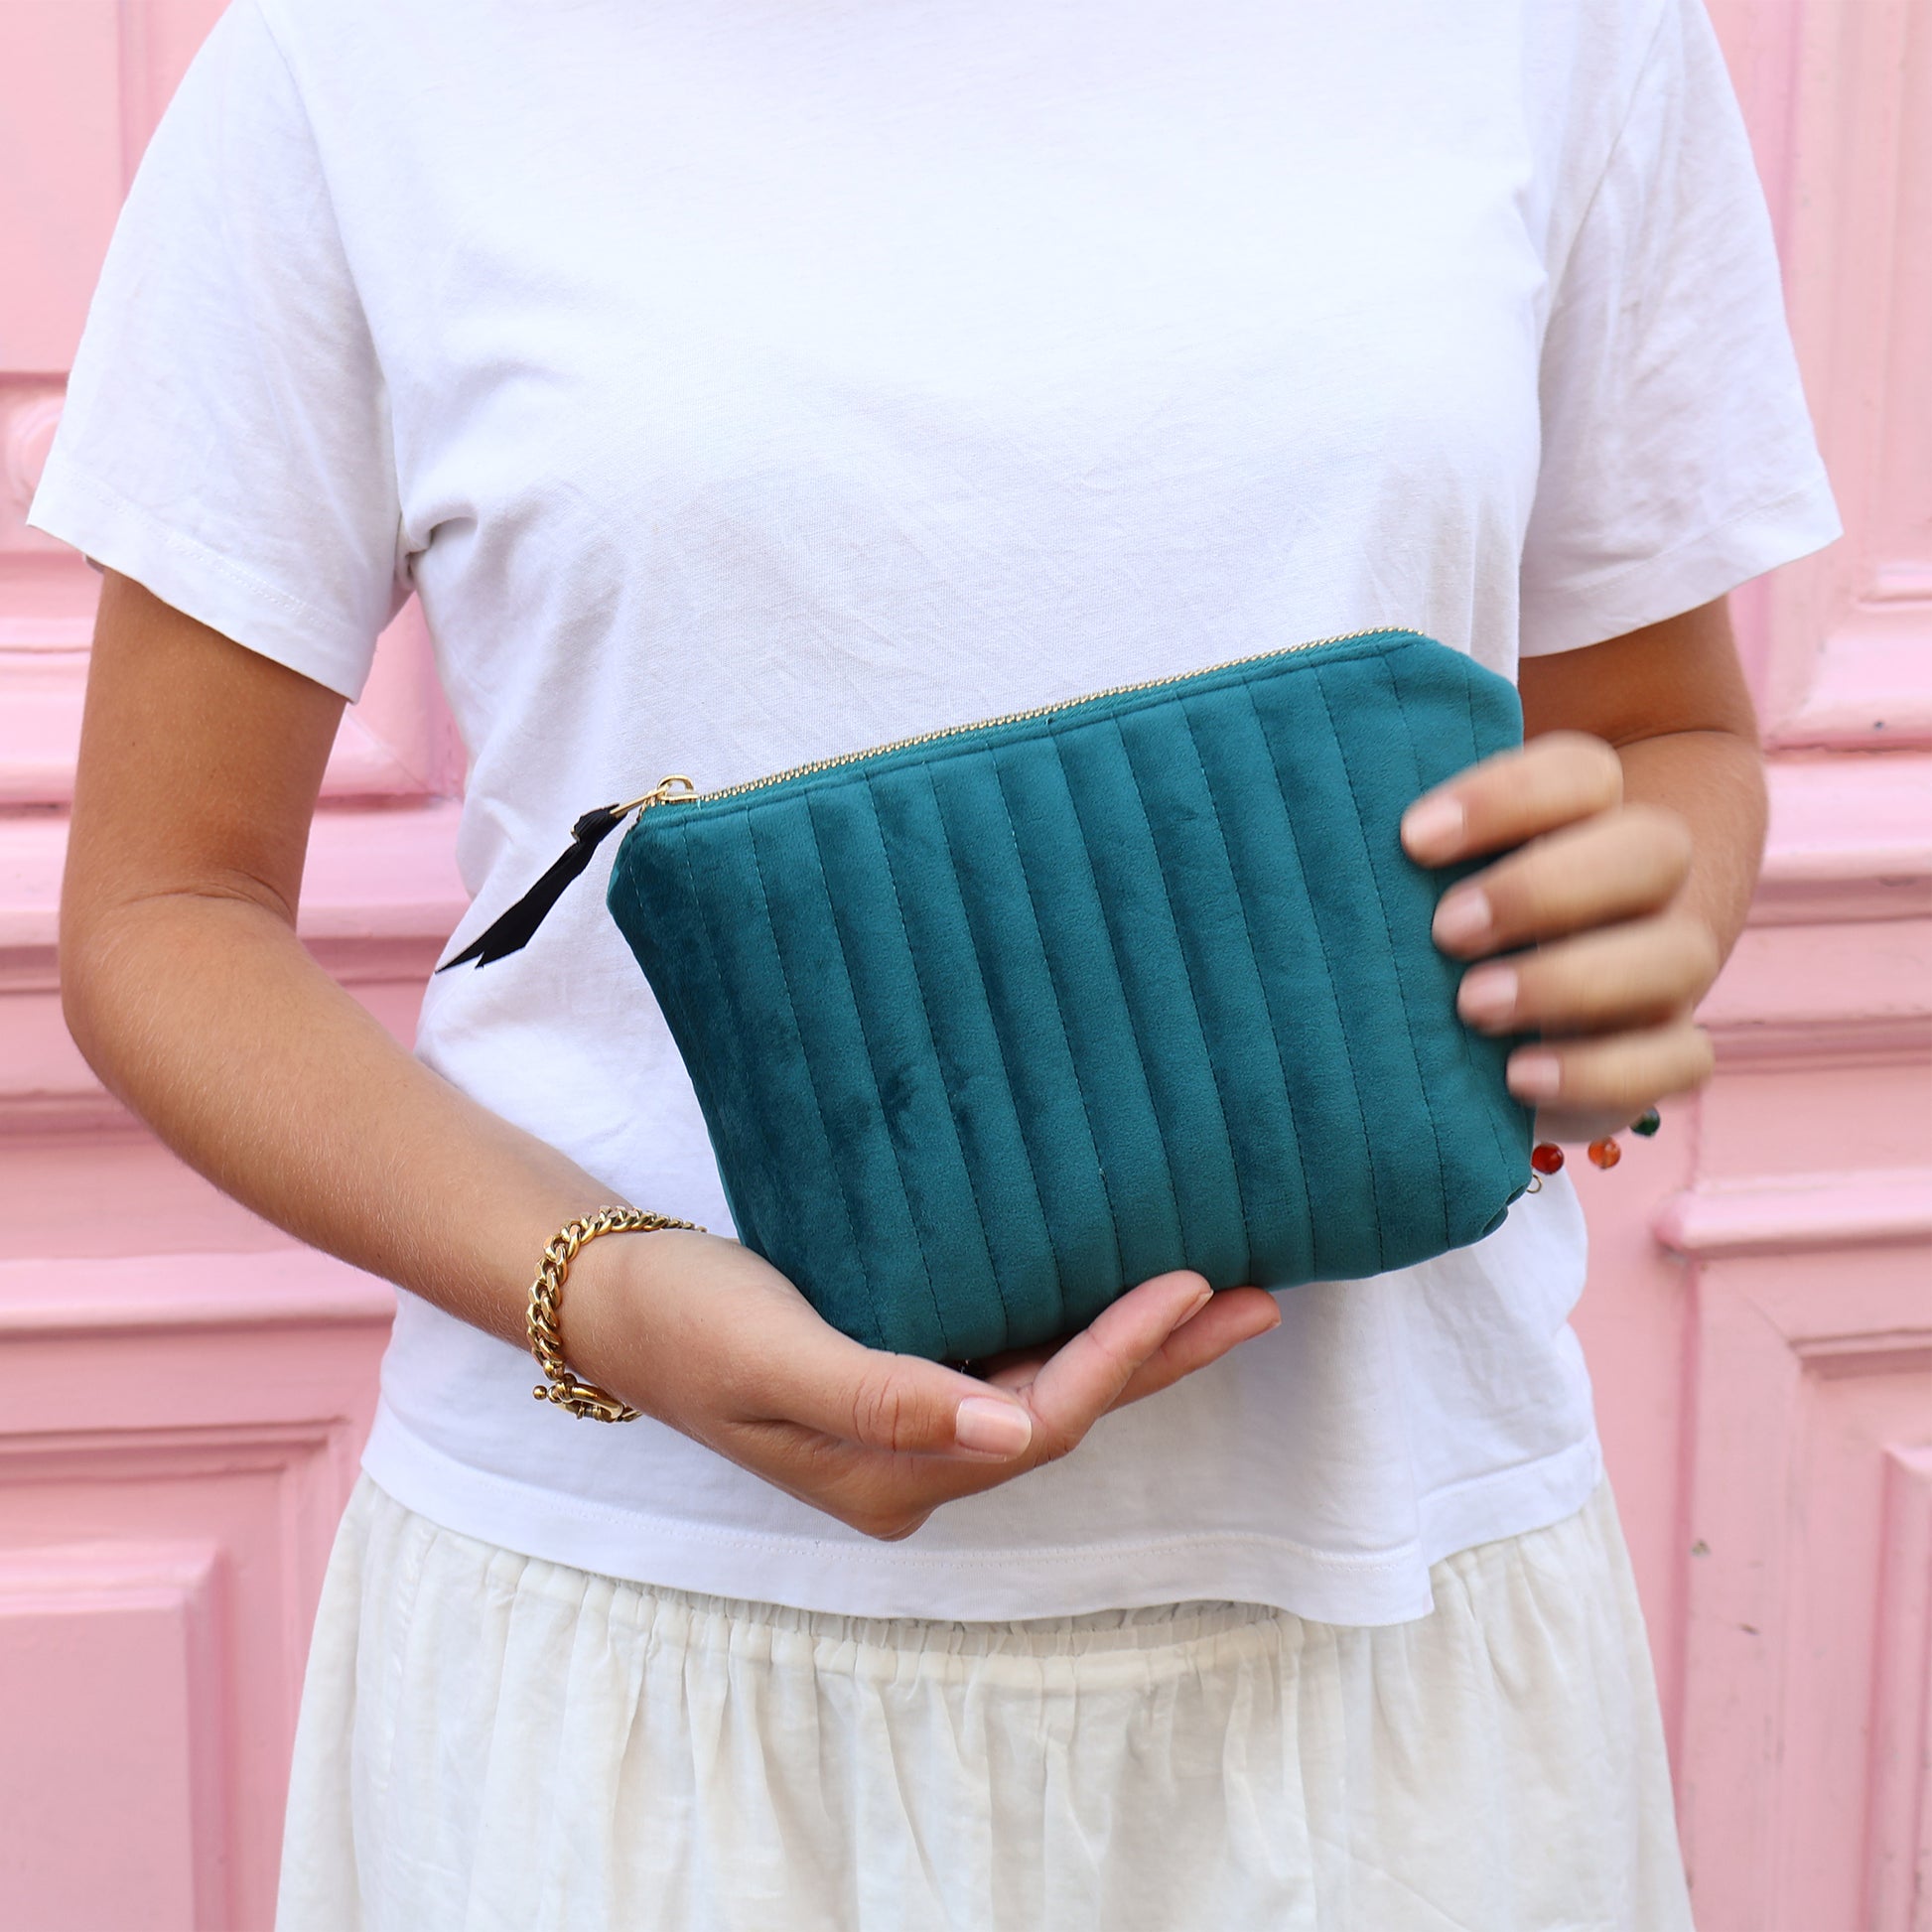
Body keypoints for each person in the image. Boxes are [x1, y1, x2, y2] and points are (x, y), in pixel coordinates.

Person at [36, 0, 1837, 1923]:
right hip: (637, 1681)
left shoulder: (1557, 32)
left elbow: (1661, 730)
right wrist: (605, 1294)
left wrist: (1630, 930)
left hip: (1388, 1650)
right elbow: (164, 910)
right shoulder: (357, 61)